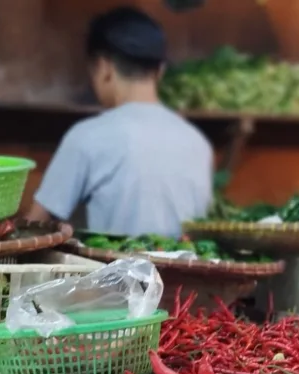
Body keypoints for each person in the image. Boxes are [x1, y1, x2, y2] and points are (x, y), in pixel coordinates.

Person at [26, 6, 213, 238]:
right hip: (187, 271)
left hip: (120, 273)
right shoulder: (197, 143)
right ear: (160, 71)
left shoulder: (88, 136)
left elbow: (34, 226)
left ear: (104, 68)